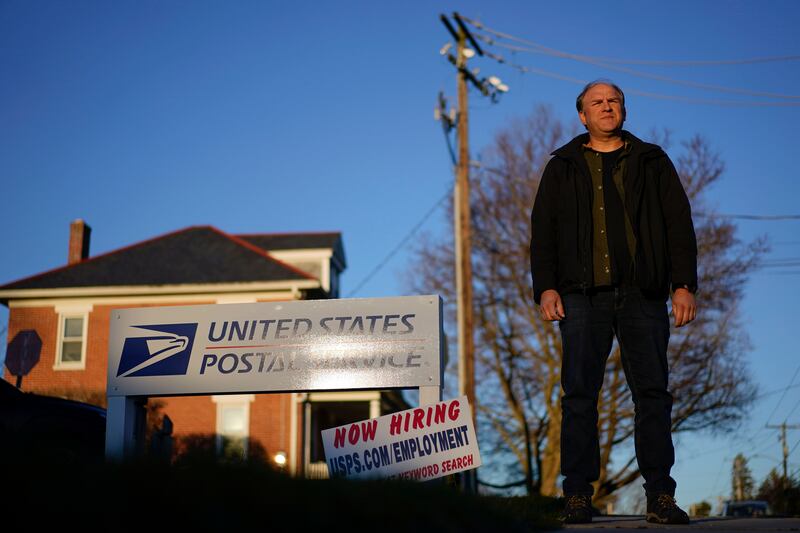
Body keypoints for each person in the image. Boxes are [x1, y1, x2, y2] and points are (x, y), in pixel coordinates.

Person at [529, 80, 696, 525]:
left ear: (624, 110)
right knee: (579, 396)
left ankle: (661, 496)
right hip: (580, 297)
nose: (606, 107)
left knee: (653, 396)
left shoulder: (652, 161)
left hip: (644, 294)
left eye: (614, 101)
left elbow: (678, 223)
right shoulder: (562, 166)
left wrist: (683, 284)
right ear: (582, 116)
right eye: (596, 103)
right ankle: (578, 495)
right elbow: (542, 231)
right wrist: (545, 287)